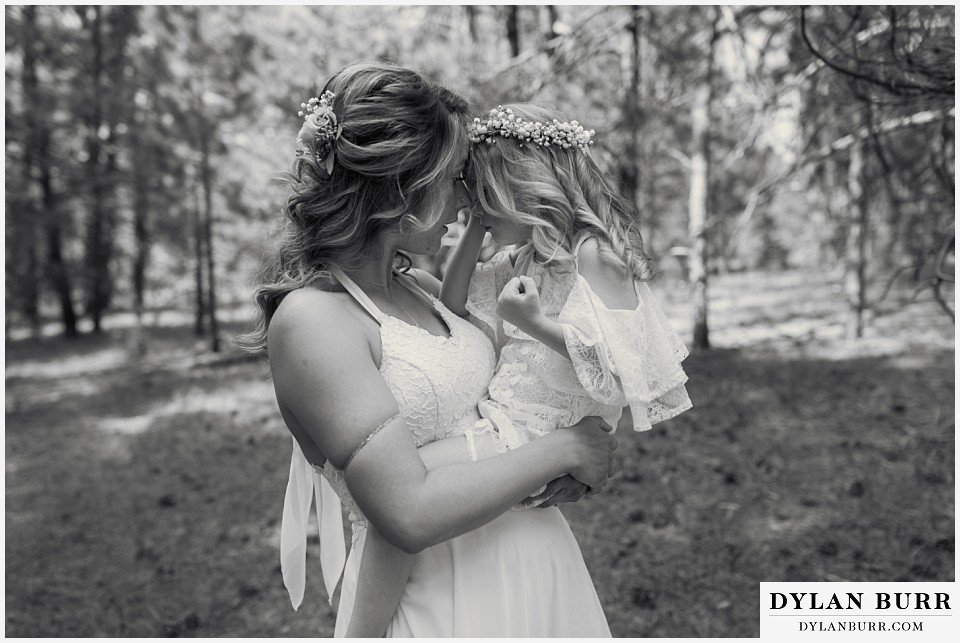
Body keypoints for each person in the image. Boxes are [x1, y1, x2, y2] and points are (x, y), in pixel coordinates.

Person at [239, 63, 620, 637]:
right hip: (437, 597)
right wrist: (565, 448)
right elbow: (408, 512)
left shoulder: (418, 288)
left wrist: (577, 441)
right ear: (402, 190)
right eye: (456, 178)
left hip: (537, 562)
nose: (465, 201)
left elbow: (516, 382)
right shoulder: (314, 320)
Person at [348, 103, 693, 636]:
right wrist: (475, 232)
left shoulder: (594, 256)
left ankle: (360, 634)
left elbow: (628, 373)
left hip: (529, 434)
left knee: (392, 503)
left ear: (524, 189)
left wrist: (532, 323)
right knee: (395, 497)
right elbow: (457, 305)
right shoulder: (524, 257)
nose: (473, 213)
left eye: (486, 202)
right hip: (501, 428)